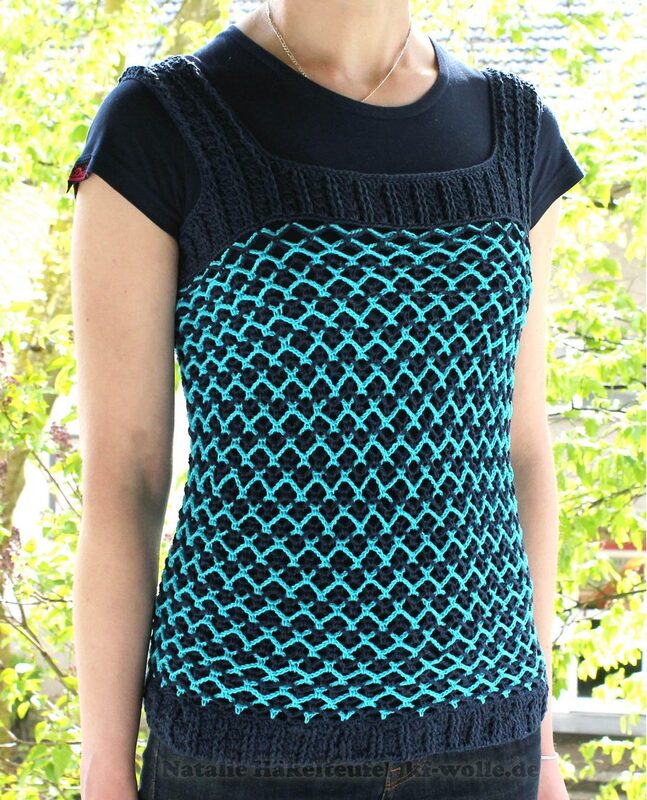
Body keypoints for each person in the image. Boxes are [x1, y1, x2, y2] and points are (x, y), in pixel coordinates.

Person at [68, 1, 585, 798]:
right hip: (240, 748)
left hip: (487, 746)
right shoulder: (163, 122)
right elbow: (126, 476)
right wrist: (104, 766)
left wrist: (542, 742)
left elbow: (518, 451)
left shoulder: (516, 133)